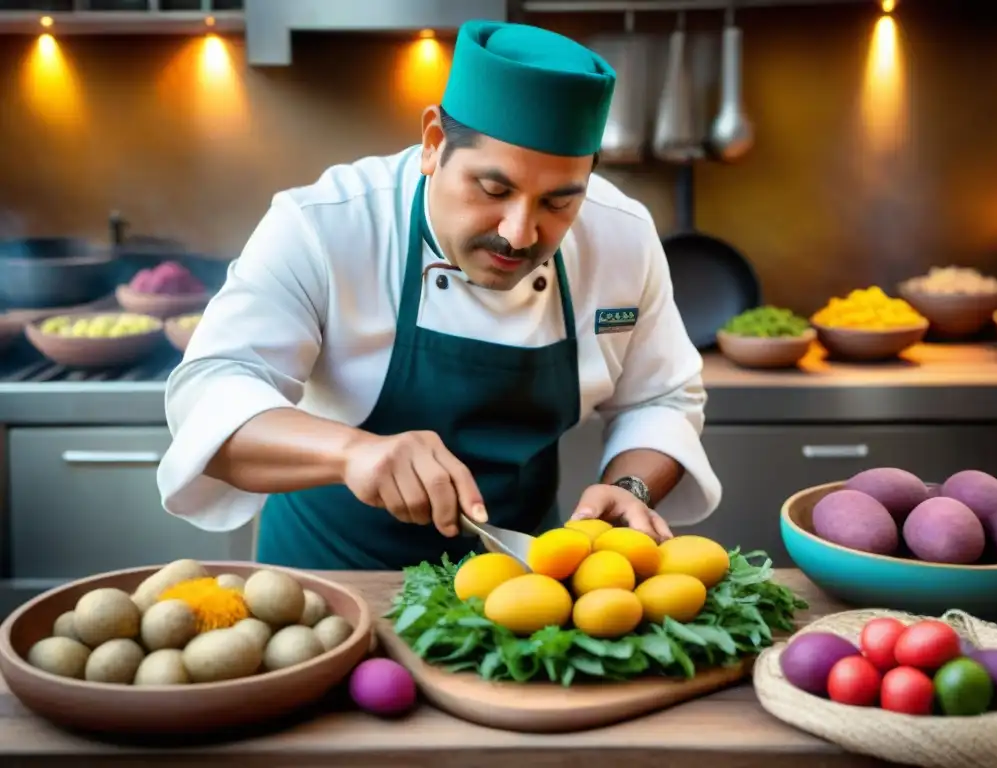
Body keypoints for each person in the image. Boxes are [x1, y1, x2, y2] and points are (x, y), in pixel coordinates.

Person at [156, 20, 722, 571]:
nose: (518, 233)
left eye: (558, 204)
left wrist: (631, 488)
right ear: (433, 144)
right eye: (493, 188)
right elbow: (210, 395)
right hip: (334, 579)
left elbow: (661, 398)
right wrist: (353, 452)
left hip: (518, 586)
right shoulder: (325, 224)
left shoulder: (620, 232)